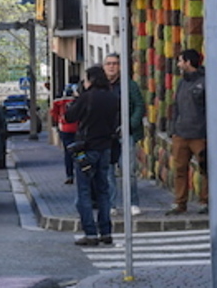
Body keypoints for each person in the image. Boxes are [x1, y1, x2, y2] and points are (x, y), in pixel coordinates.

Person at [65, 65, 119, 246]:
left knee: (84, 192)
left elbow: (69, 116)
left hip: (86, 149)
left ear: (90, 80)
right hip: (105, 148)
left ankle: (90, 233)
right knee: (103, 191)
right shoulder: (113, 98)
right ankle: (105, 231)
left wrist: (75, 100)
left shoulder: (87, 98)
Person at [167, 49, 208, 215]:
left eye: (180, 61)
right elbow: (175, 106)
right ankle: (180, 203)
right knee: (179, 169)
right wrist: (173, 129)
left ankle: (207, 201)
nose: (178, 64)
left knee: (206, 169)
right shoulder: (182, 82)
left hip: (200, 134)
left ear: (188, 63)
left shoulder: (205, 82)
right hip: (181, 134)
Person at [103, 53, 145, 216]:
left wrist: (129, 125)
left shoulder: (129, 85)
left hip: (126, 133)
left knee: (128, 170)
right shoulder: (100, 86)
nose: (112, 67)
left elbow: (139, 106)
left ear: (120, 66)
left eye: (115, 63)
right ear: (104, 67)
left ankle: (132, 202)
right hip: (106, 134)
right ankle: (111, 204)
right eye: (108, 64)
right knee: (108, 171)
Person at [49, 80, 80, 184]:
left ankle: (69, 175)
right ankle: (81, 173)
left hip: (65, 128)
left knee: (68, 152)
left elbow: (53, 113)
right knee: (80, 151)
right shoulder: (79, 99)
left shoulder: (59, 101)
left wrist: (59, 120)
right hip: (78, 128)